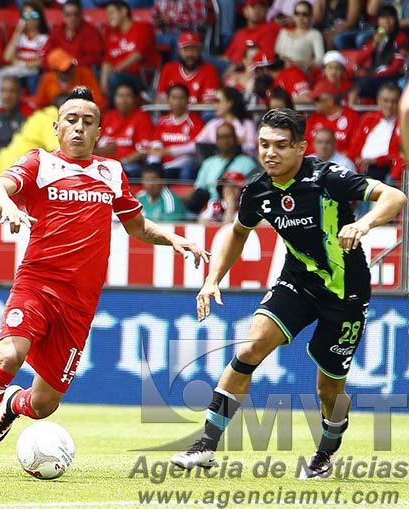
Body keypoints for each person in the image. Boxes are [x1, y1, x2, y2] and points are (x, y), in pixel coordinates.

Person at [0, 87, 209, 477]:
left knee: (44, 404)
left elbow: (136, 226)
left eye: (87, 122)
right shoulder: (39, 163)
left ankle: (14, 404)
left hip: (80, 302)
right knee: (8, 356)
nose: (79, 128)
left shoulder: (112, 171)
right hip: (36, 282)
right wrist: (12, 207)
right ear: (56, 127)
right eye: (71, 120)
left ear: (99, 132)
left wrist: (172, 238)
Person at [170, 108, 407, 479]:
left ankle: (326, 451)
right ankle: (206, 444)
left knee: (329, 389)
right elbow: (236, 232)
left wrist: (363, 224)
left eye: (281, 145)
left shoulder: (327, 177)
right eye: (264, 144)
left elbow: (394, 196)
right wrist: (212, 278)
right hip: (297, 281)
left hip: (345, 292)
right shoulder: (258, 189)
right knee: (249, 348)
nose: (270, 153)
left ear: (301, 147)